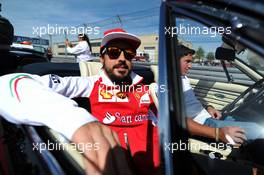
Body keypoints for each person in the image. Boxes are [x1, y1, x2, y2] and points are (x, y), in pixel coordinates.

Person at [0, 28, 159, 175]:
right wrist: (77, 121)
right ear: (102, 58)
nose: (122, 58)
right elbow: (9, 83)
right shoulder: (89, 84)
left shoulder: (149, 88)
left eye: (129, 53)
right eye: (114, 52)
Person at [177, 44, 264, 144]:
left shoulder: (183, 78)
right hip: (203, 124)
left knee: (253, 122)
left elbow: (190, 102)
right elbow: (178, 120)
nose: (190, 66)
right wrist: (218, 133)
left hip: (207, 117)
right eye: (187, 61)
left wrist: (208, 107)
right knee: (259, 130)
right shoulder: (168, 85)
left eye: (191, 62)